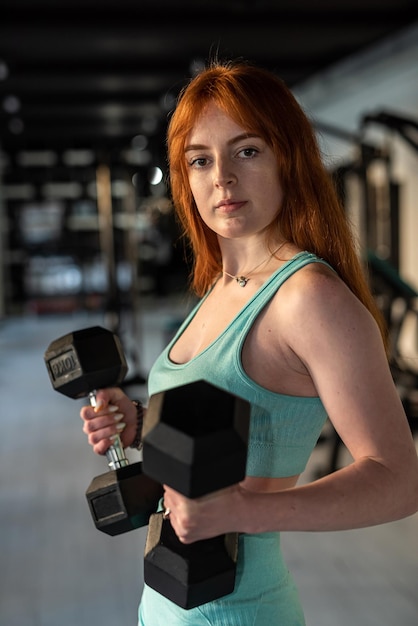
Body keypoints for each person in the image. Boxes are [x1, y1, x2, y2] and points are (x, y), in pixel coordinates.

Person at [80, 59, 418, 625]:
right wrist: (140, 424)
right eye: (201, 159)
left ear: (288, 157)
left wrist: (246, 510)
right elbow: (232, 430)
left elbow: (399, 480)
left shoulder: (309, 298)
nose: (222, 177)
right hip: (163, 606)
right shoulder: (221, 288)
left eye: (247, 150)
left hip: (240, 613)